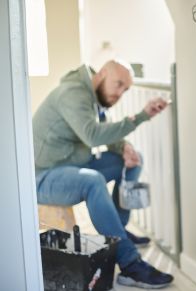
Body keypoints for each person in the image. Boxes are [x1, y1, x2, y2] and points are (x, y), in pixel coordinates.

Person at [33, 60, 174, 288]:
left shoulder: (91, 96)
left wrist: (124, 149)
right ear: (102, 74)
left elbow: (106, 132)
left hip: (72, 165)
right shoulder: (73, 93)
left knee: (132, 161)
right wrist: (141, 116)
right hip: (44, 176)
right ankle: (130, 265)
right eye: (118, 84)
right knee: (94, 181)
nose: (120, 93)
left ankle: (118, 232)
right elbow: (93, 135)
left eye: (125, 89)